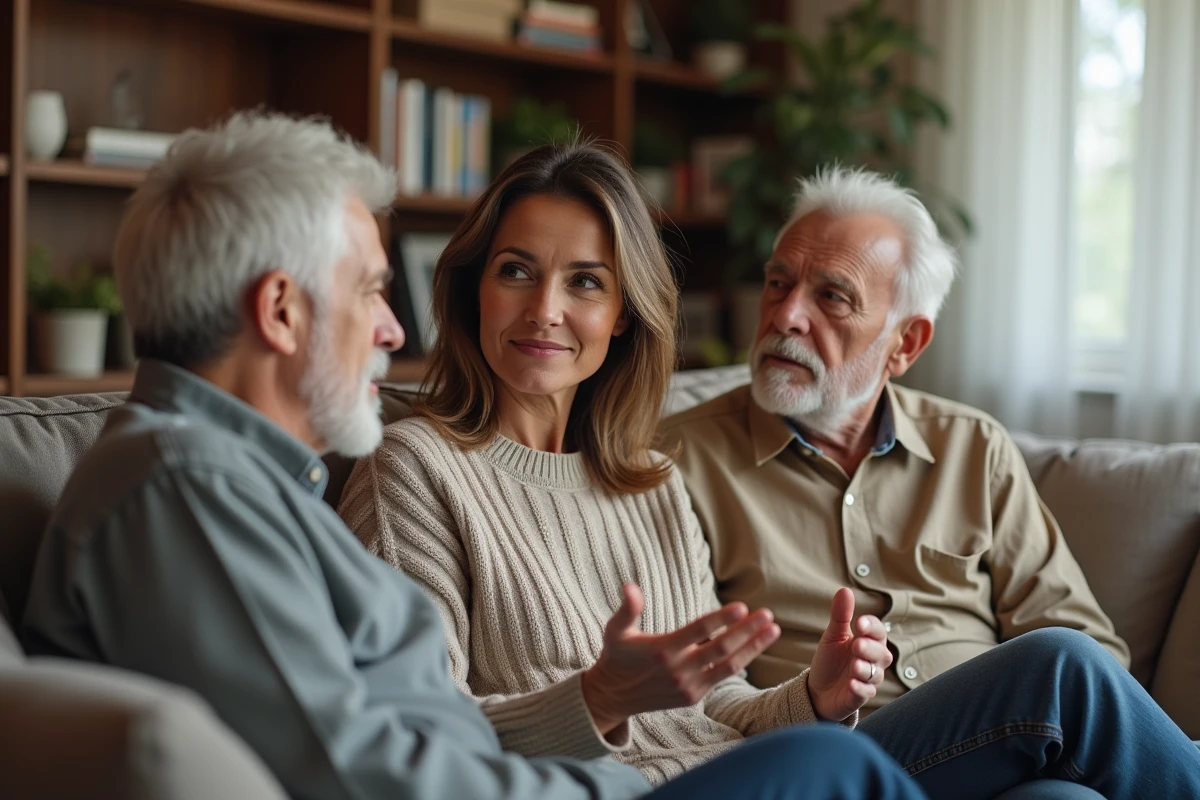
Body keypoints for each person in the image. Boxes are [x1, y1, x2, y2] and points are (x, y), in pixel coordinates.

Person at [17, 112, 925, 800]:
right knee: (844, 769)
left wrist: (805, 698)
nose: (392, 328)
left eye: (585, 283)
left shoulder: (254, 483)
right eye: (369, 290)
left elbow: (393, 731)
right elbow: (350, 764)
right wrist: (607, 764)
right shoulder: (187, 484)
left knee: (908, 740)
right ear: (281, 311)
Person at [339, 141, 1200, 800]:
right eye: (515, 272)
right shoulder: (413, 469)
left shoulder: (645, 480)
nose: (545, 310)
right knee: (1053, 673)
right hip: (657, 788)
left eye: (586, 283)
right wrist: (598, 698)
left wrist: (814, 696)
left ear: (625, 316)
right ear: (473, 290)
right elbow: (407, 735)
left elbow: (720, 707)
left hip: (751, 766)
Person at [656, 166, 1130, 712]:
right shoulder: (678, 460)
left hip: (1005, 741)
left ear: (905, 343)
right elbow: (693, 688)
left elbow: (1089, 648)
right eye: (778, 284)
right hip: (838, 744)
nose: (786, 316)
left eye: (832, 296)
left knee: (1073, 689)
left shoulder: (974, 448)